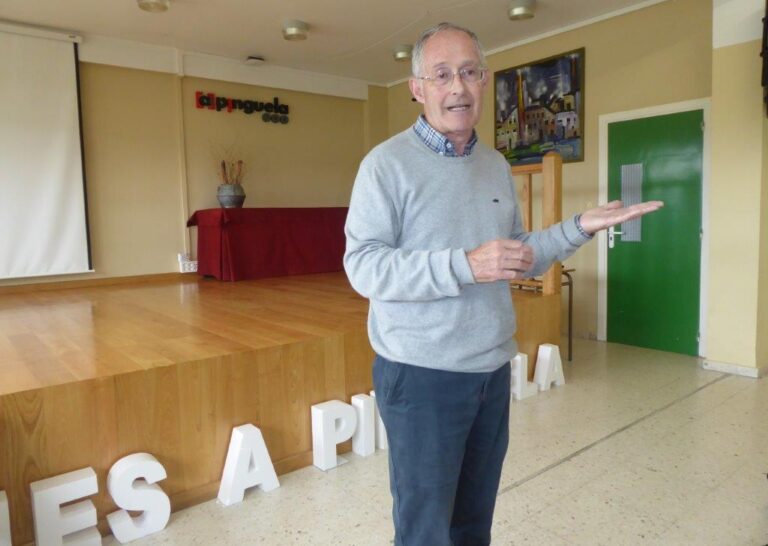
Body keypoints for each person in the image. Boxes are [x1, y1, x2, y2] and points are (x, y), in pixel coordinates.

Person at [343, 22, 662, 546]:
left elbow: (517, 257)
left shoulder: (494, 165)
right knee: (425, 529)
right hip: (422, 377)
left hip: (490, 371)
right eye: (441, 75)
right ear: (417, 88)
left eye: (469, 72)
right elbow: (364, 267)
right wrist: (465, 264)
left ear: (485, 80)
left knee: (473, 522)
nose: (457, 87)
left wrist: (578, 227)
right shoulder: (385, 166)